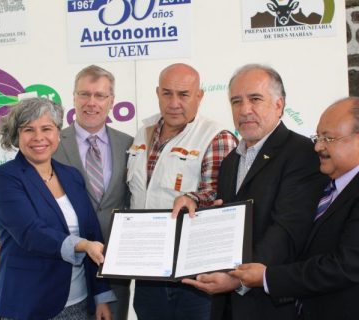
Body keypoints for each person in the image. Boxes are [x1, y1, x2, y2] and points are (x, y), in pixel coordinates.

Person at [174, 64, 328, 320]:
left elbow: (288, 230)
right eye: (236, 101)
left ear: (279, 105)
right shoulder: (231, 160)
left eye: (255, 99)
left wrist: (236, 277)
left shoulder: (301, 153)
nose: (245, 110)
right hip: (227, 305)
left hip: (272, 306)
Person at [229, 96, 359, 320]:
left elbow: (344, 266)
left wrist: (267, 277)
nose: (318, 146)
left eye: (328, 138)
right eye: (318, 137)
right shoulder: (324, 188)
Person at [127, 63, 238, 320]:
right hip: (148, 270)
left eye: (184, 94)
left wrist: (191, 198)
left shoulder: (216, 137)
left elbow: (220, 197)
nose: (174, 102)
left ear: (199, 96)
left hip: (194, 276)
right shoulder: (142, 134)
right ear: (157, 93)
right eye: (167, 93)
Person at [0, 97, 114, 320]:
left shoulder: (71, 175)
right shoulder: (5, 178)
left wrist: (101, 295)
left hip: (79, 302)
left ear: (58, 133)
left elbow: (92, 231)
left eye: (46, 128)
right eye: (28, 129)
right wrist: (83, 245)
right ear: (16, 136)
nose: (39, 137)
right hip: (30, 303)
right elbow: (31, 233)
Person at [54, 65, 133, 320]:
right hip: (65, 263)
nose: (91, 103)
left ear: (111, 101)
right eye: (84, 94)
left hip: (114, 263)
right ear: (73, 97)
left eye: (99, 96)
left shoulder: (130, 144)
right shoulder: (50, 143)